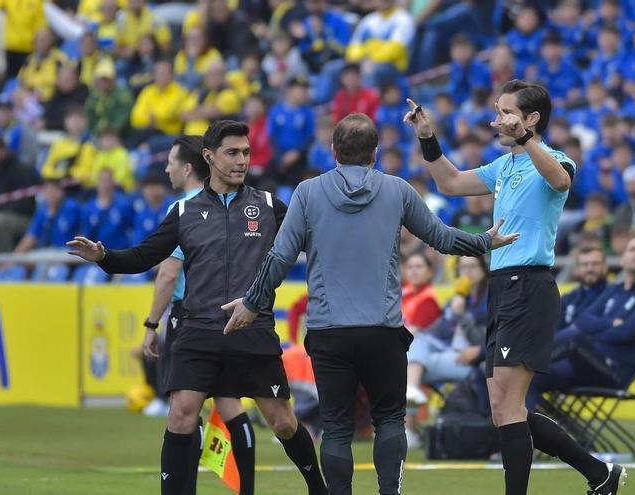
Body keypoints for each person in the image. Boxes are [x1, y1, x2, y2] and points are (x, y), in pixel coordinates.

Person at [221, 113, 516, 495]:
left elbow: (279, 257)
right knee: (390, 419)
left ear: (333, 151)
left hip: (329, 331)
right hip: (383, 329)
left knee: (337, 426)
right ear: (375, 153)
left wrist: (253, 302)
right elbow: (441, 238)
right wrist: (482, 242)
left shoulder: (309, 193)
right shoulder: (397, 189)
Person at [66, 121, 327, 495]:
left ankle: (318, 488)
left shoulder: (269, 206)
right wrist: (104, 255)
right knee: (180, 414)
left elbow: (314, 242)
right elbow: (145, 255)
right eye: (232, 153)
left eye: (246, 153)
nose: (242, 161)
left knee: (282, 421)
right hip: (197, 330)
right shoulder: (185, 210)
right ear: (209, 156)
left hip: (251, 329)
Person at [403, 80, 626, 495]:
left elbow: (560, 181)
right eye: (499, 110)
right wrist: (427, 137)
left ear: (531, 119)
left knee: (507, 408)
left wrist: (524, 140)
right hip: (502, 287)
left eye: (506, 111)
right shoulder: (503, 166)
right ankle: (600, 474)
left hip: (530, 286)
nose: (497, 118)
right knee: (504, 410)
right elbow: (449, 183)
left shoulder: (554, 159)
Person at [139, 135, 257, 493]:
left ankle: (182, 487)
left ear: (188, 167)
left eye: (171, 162)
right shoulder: (224, 203)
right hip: (224, 313)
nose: (167, 168)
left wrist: (152, 323)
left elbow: (169, 273)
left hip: (190, 314)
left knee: (182, 408)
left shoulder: (187, 208)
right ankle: (245, 488)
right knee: (227, 400)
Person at [527, 233, 635, 411]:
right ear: (622, 259)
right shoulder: (614, 290)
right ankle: (534, 435)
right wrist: (611, 323)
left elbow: (625, 333)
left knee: (574, 338)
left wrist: (594, 332)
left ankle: (524, 354)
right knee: (528, 376)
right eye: (633, 249)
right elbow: (584, 319)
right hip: (584, 362)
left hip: (613, 370)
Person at [404, 255, 490, 445]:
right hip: (449, 354)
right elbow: (438, 332)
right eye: (463, 267)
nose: (467, 271)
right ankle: (409, 416)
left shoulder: (489, 298)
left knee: (409, 365)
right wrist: (421, 331)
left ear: (484, 270)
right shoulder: (458, 297)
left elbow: (484, 340)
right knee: (416, 346)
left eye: (473, 266)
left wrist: (461, 316)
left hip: (472, 360)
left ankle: (409, 430)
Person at [560, 245, 609, 331]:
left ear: (605, 267)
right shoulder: (567, 299)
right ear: (577, 268)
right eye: (585, 264)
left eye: (595, 264)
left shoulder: (616, 296)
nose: (590, 268)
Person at [401, 252, 442, 334]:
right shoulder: (404, 290)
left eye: (419, 267)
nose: (413, 271)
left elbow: (413, 332)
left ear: (430, 272)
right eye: (409, 267)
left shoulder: (429, 300)